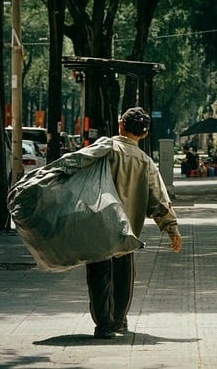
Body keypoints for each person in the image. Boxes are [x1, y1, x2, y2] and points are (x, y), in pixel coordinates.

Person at [86, 107, 182, 339]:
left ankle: (104, 325)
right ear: (144, 134)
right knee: (123, 274)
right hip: (126, 230)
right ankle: (119, 320)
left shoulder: (104, 149)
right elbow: (158, 199)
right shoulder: (145, 162)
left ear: (121, 125)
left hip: (98, 226)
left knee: (99, 274)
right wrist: (172, 229)